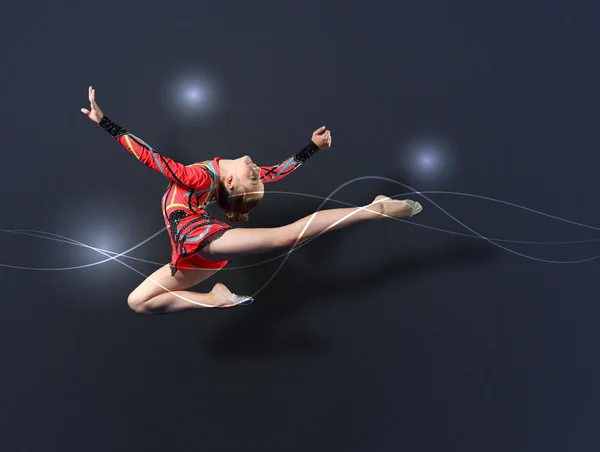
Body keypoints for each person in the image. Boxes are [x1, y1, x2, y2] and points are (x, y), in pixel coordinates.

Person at [81, 86, 422, 314]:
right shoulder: (218, 181)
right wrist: (311, 148)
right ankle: (216, 298)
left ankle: (374, 209)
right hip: (192, 258)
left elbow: (151, 157)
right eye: (257, 174)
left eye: (253, 175)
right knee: (138, 303)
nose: (258, 169)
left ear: (230, 181)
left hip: (200, 240)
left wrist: (105, 123)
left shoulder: (200, 178)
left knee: (284, 236)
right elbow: (277, 172)